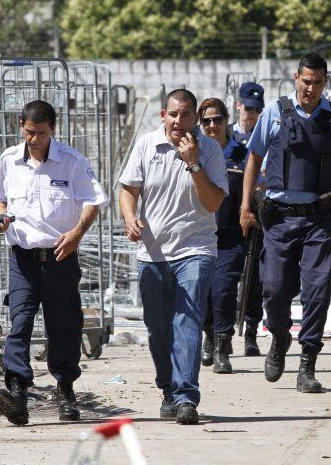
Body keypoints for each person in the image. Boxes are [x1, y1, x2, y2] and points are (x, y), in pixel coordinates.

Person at [240, 52, 331, 394]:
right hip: (279, 220)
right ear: (296, 78)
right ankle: (279, 337)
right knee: (275, 288)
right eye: (306, 81)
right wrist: (244, 205)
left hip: (318, 220)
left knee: (318, 290)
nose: (310, 88)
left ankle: (308, 362)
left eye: (318, 83)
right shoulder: (275, 113)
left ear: (325, 84)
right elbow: (253, 158)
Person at [0, 100, 108, 425]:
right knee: (19, 324)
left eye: (40, 133)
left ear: (53, 128)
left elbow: (93, 201)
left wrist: (77, 234)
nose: (34, 139)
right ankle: (18, 393)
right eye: (28, 132)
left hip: (60, 257)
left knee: (64, 326)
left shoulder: (71, 162)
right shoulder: (10, 160)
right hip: (23, 259)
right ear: (20, 126)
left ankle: (65, 389)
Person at [119, 88, 227, 425]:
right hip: (153, 252)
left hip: (196, 249)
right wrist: (129, 217)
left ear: (196, 118)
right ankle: (167, 387)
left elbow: (213, 204)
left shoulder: (209, 150)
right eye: (173, 114)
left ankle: (185, 397)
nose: (179, 121)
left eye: (186, 115)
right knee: (158, 328)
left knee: (188, 320)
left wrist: (193, 162)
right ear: (163, 115)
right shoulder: (146, 145)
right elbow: (127, 190)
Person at [197, 98, 248, 374]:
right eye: (206, 121)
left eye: (217, 119)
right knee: (203, 292)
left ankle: (222, 345)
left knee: (224, 291)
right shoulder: (194, 152)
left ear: (227, 119)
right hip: (200, 234)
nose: (212, 125)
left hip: (230, 235)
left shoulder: (241, 154)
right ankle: (209, 335)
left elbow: (253, 186)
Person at [229, 81, 266, 357]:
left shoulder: (265, 138)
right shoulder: (225, 137)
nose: (250, 114)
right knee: (227, 278)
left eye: (256, 110)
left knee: (255, 278)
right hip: (229, 214)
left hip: (259, 214)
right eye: (247, 108)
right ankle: (222, 332)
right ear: (238, 105)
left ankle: (251, 332)